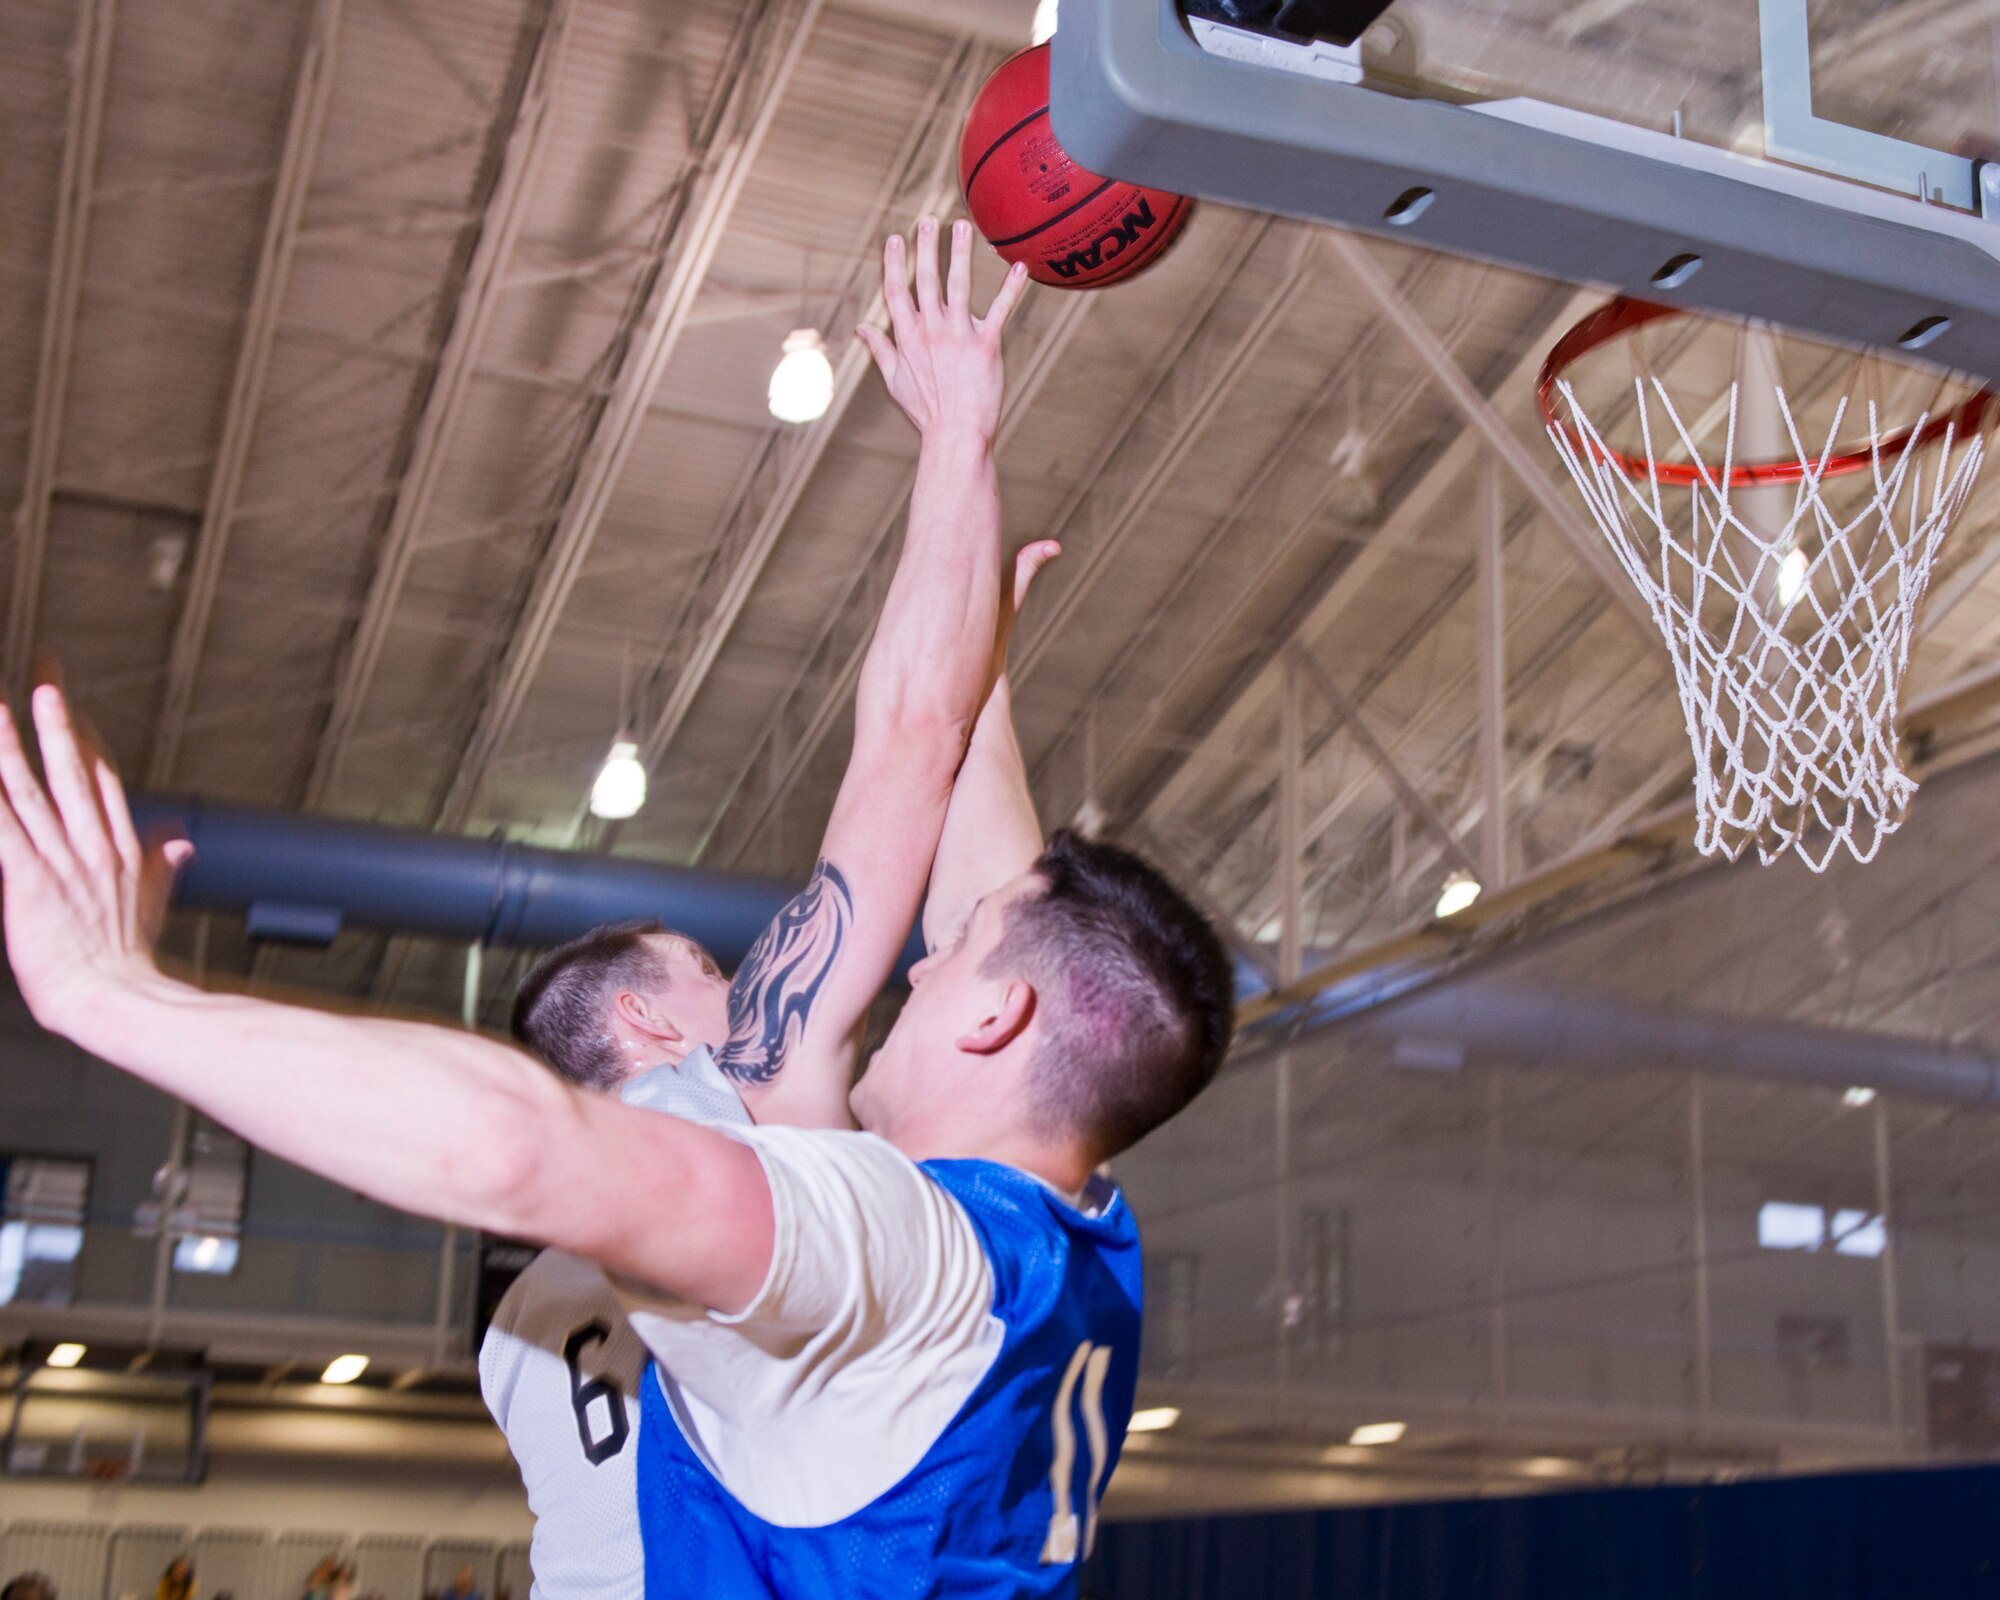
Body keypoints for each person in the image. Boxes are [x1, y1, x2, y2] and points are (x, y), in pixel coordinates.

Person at [0, 217, 1234, 1596]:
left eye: (949, 962)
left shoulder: (870, 1239)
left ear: (1003, 1016)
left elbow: (522, 1149)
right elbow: (920, 763)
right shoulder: (1082, 1240)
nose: (915, 964)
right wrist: (966, 518)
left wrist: (110, 994)